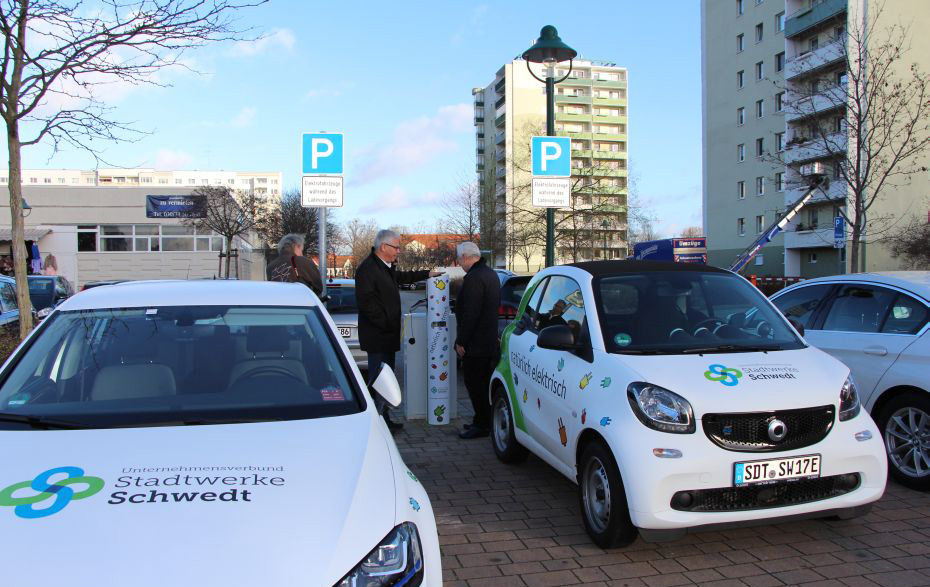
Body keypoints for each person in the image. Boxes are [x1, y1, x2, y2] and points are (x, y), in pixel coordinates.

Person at [355, 229, 441, 431]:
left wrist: (426, 274)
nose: (398, 251)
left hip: (387, 336)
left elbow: (401, 277)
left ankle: (384, 419)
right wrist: (387, 323)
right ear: (383, 247)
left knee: (386, 379)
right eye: (396, 247)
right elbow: (367, 305)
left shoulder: (385, 266)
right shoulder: (367, 269)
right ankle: (377, 425)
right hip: (378, 337)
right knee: (379, 380)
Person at [453, 241, 501, 439]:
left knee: (474, 383)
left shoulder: (474, 278)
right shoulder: (490, 274)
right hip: (488, 340)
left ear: (465, 257)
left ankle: (481, 424)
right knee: (484, 383)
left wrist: (461, 341)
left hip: (475, 343)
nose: (458, 263)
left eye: (459, 259)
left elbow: (471, 313)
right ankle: (484, 420)